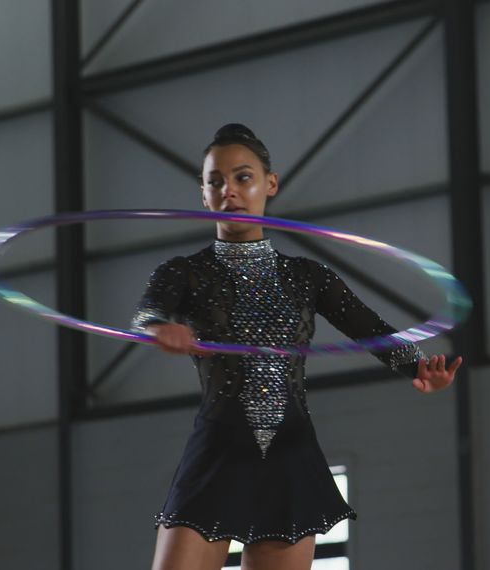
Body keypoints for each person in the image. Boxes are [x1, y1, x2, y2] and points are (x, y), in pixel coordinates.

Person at [131, 123, 463, 570]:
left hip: (288, 455)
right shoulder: (183, 272)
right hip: (216, 451)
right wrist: (157, 329)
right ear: (203, 194)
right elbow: (147, 314)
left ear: (270, 183)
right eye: (215, 181)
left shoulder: (308, 276)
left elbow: (373, 331)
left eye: (242, 177)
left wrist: (419, 369)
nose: (228, 189)